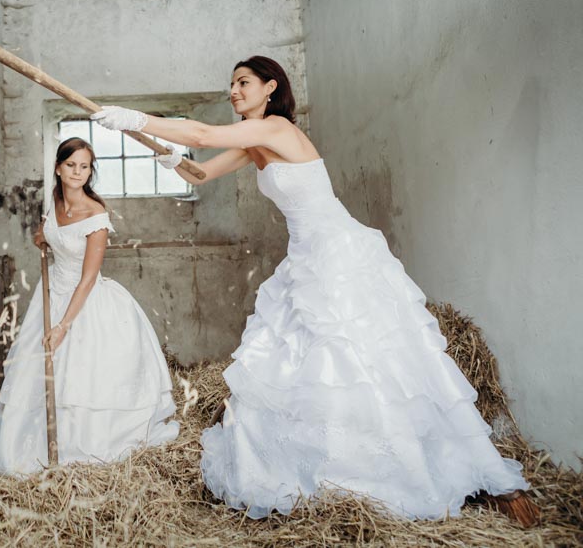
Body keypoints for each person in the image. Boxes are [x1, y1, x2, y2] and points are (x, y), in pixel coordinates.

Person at [90, 56, 536, 523]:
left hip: (337, 252)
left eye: (243, 83)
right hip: (304, 257)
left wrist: (135, 116)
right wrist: (159, 149)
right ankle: (323, 466)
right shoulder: (254, 141)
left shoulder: (277, 129)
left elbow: (202, 135)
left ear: (270, 87)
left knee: (359, 357)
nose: (234, 92)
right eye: (231, 85)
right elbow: (199, 173)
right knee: (307, 364)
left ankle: (438, 473)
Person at [0, 137, 179, 475]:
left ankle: (81, 446)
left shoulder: (96, 215)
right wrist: (41, 237)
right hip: (51, 293)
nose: (78, 172)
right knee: (35, 375)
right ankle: (30, 446)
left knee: (80, 375)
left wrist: (63, 325)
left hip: (84, 300)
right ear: (58, 167)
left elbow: (88, 279)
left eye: (84, 166)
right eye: (71, 165)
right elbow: (45, 233)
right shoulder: (53, 201)